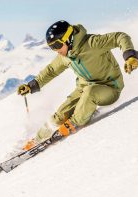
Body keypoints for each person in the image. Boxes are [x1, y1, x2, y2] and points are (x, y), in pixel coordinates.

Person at [17, 20, 138, 149]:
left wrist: (130, 55)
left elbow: (120, 37)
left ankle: (73, 124)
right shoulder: (65, 55)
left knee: (91, 92)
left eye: (57, 45)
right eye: (52, 47)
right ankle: (37, 140)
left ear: (68, 38)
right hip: (84, 89)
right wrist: (31, 86)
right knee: (59, 117)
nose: (56, 50)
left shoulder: (92, 43)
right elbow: (51, 70)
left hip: (110, 88)